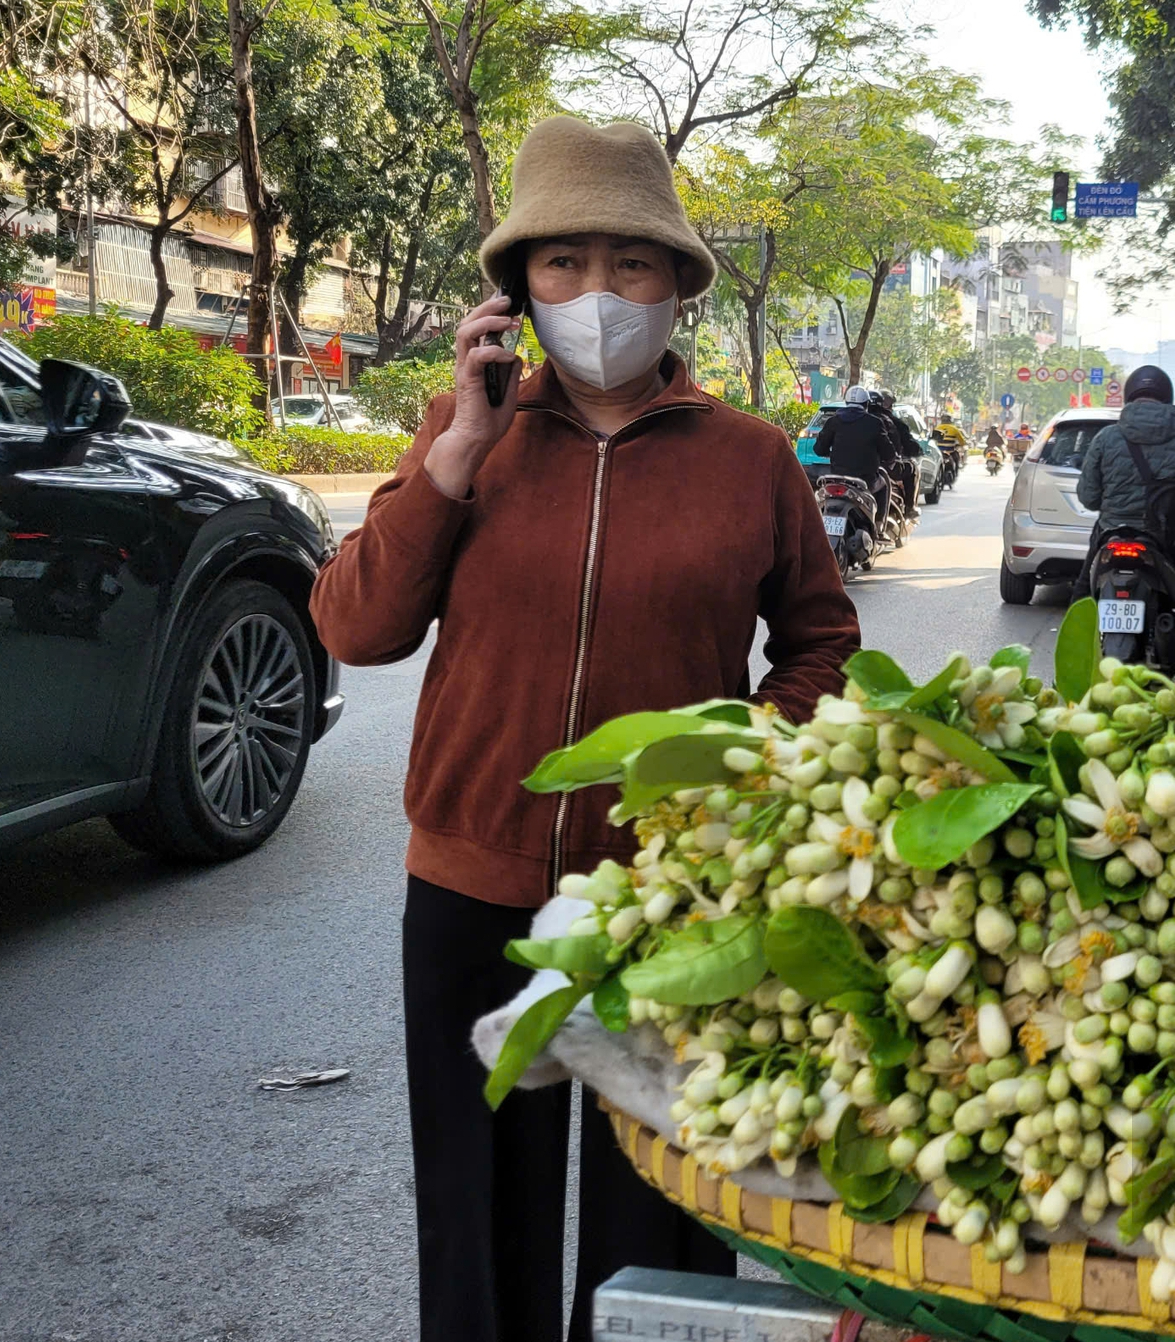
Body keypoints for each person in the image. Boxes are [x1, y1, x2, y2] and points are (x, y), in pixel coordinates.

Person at [308, 115, 860, 1342]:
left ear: (675, 287)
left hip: (664, 902)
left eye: (631, 262)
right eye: (564, 262)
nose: (597, 291)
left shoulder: (750, 457)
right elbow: (355, 627)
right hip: (470, 884)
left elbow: (821, 644)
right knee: (474, 1206)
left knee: (652, 1213)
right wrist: (455, 451)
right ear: (517, 291)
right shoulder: (465, 441)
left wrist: (736, 765)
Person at [1073, 365, 1175, 697]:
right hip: (1168, 539)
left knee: (1082, 593)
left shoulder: (1106, 438)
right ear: (1166, 397)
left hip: (1113, 534)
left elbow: (1088, 496)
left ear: (1129, 397)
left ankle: (1069, 662)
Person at [816, 385, 899, 521]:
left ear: (846, 403)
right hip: (865, 480)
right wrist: (889, 460)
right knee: (884, 484)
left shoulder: (834, 421)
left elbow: (819, 449)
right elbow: (888, 453)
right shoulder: (874, 423)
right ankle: (879, 525)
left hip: (836, 477)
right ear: (866, 404)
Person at [866, 391, 921, 518]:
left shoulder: (855, 420)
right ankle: (909, 508)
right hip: (880, 469)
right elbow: (891, 451)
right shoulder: (888, 422)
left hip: (854, 468)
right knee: (912, 467)